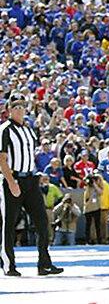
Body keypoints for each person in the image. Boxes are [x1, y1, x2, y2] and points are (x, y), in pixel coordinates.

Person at [0, 94, 62, 276]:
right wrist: (11, 182)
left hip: (30, 180)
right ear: (9, 110)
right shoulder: (4, 129)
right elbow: (2, 159)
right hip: (13, 179)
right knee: (9, 224)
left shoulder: (28, 130)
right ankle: (8, 264)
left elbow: (30, 155)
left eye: (22, 106)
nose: (19, 110)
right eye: (16, 107)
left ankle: (44, 263)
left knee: (43, 222)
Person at [39, 174, 62, 243]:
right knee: (39, 225)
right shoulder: (37, 187)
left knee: (50, 225)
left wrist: (54, 206)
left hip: (49, 208)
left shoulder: (53, 187)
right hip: (39, 209)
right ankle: (41, 240)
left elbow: (60, 197)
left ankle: (50, 240)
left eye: (47, 179)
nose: (45, 180)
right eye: (43, 179)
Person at [83, 172, 103, 244]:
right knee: (88, 225)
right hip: (88, 208)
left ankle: (99, 240)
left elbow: (100, 192)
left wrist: (95, 184)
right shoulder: (88, 187)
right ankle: (87, 240)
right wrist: (89, 181)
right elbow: (85, 181)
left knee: (97, 225)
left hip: (96, 208)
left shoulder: (98, 187)